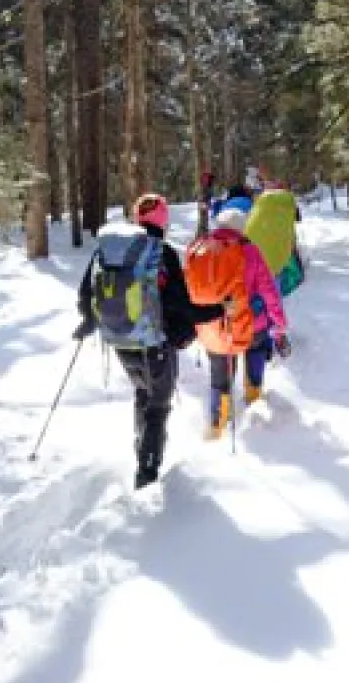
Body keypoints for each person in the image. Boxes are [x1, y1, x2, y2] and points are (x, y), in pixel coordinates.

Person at [74, 193, 221, 488]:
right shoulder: (161, 253)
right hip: (154, 345)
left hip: (119, 339)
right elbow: (182, 305)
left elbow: (84, 296)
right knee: (158, 405)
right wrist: (218, 310)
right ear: (164, 221)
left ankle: (141, 449)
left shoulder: (109, 251)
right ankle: (147, 476)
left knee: (143, 394)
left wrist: (90, 322)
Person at [193, 205, 289, 439]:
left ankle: (217, 424)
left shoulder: (202, 249)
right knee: (256, 348)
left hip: (214, 325)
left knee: (220, 373)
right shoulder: (250, 251)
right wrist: (280, 325)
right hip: (250, 323)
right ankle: (253, 396)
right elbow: (269, 292)